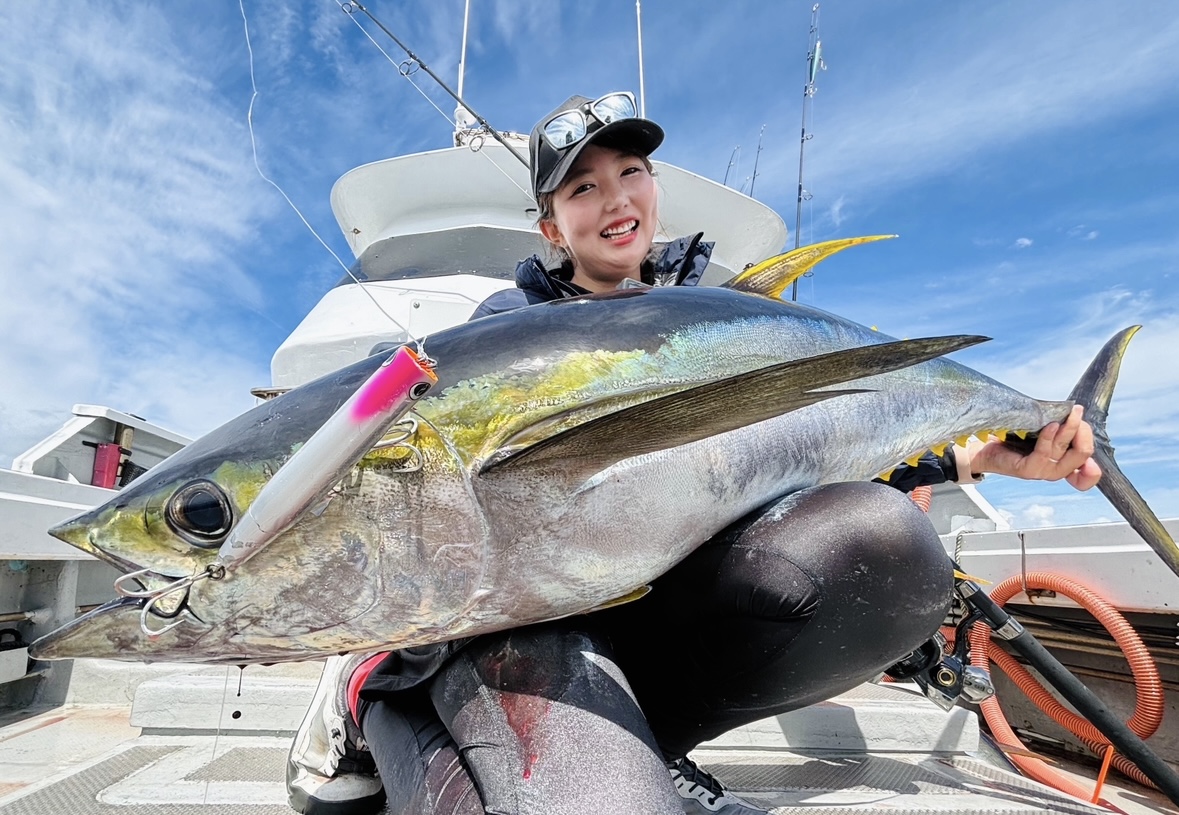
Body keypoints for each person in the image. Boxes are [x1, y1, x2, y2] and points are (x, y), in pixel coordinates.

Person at [286, 92, 1103, 815]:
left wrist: (989, 455)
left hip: (642, 608)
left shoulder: (717, 314)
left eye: (630, 170)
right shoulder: (505, 331)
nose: (614, 197)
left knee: (883, 540)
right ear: (549, 226)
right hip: (524, 622)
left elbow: (806, 447)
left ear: (653, 186)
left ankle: (639, 739)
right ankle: (371, 705)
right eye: (581, 186)